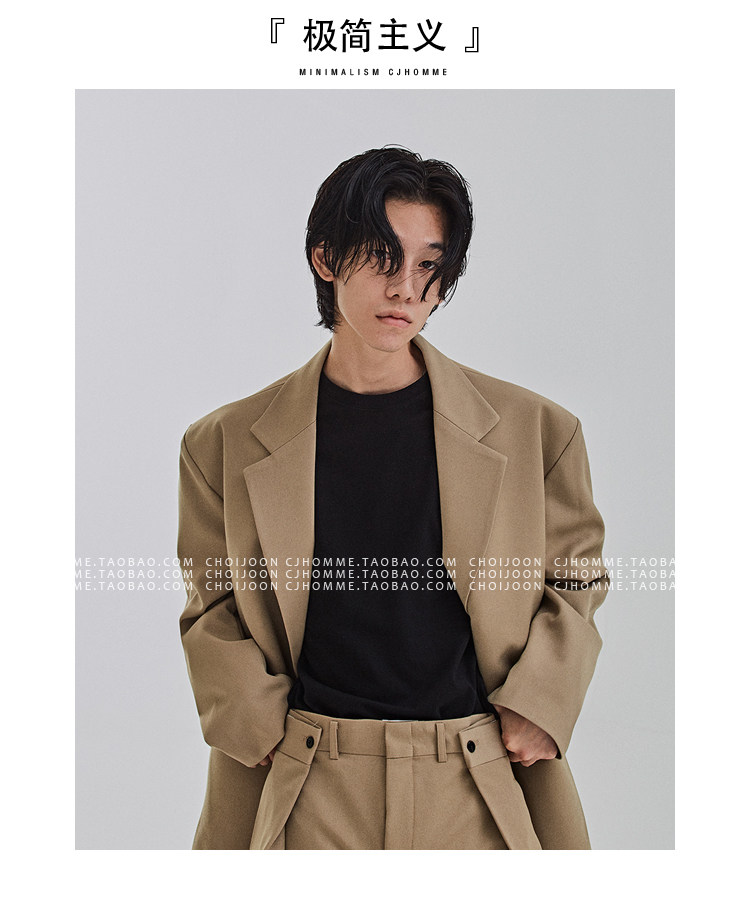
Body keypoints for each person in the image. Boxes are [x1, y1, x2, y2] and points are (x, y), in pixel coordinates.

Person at [177, 147, 609, 850]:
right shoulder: (223, 443)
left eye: (429, 265)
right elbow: (212, 600)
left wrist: (541, 700)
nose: (407, 288)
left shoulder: (538, 432)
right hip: (302, 777)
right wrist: (252, 724)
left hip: (478, 778)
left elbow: (577, 578)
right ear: (325, 258)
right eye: (383, 257)